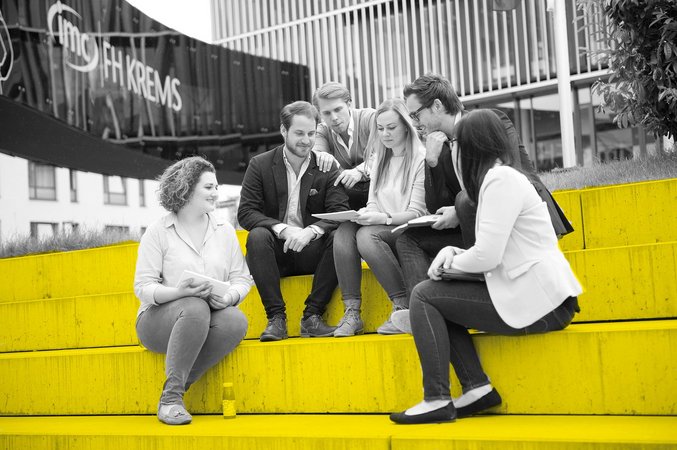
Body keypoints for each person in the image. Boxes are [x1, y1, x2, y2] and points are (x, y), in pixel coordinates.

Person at [389, 110, 582, 425]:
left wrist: (448, 261)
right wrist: (453, 253)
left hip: (543, 304)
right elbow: (494, 251)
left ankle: (437, 397)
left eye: (456, 145)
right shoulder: (500, 177)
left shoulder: (500, 180)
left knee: (424, 296)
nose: (454, 152)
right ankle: (476, 389)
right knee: (430, 295)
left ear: (470, 147)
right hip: (536, 296)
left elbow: (487, 256)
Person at [397, 73, 573, 301]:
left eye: (416, 115)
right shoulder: (437, 143)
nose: (414, 123)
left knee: (463, 200)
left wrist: (460, 209)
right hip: (474, 227)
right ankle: (423, 308)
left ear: (437, 106)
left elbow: (510, 177)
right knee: (408, 239)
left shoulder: (490, 122)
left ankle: (482, 293)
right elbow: (436, 206)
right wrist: (431, 161)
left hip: (515, 225)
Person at [134, 156, 251, 426]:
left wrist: (229, 297)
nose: (215, 192)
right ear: (186, 189)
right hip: (158, 322)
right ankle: (172, 399)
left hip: (207, 316)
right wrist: (179, 292)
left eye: (216, 187)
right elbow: (143, 287)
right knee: (194, 306)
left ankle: (170, 395)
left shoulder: (224, 230)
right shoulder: (158, 231)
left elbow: (242, 279)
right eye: (208, 187)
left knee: (236, 319)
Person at [237, 100, 350, 342]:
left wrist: (310, 231)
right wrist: (283, 229)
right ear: (283, 131)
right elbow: (246, 212)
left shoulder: (326, 167)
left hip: (313, 251)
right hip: (276, 253)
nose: (306, 140)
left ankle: (312, 316)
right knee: (256, 236)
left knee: (341, 237)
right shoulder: (260, 164)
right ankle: (276, 319)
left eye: (311, 133)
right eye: (299, 133)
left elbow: (339, 211)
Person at [332, 98, 426, 337]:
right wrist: (365, 213)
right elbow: (373, 201)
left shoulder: (420, 159)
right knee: (345, 229)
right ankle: (352, 312)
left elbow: (417, 213)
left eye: (391, 128)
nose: (385, 134)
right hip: (381, 226)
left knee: (366, 235)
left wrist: (380, 218)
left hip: (407, 230)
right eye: (381, 129)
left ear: (406, 125)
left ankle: (403, 306)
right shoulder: (380, 160)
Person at [312, 82, 378, 209]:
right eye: (327, 113)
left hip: (379, 194)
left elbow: (386, 152)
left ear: (349, 104)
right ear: (320, 113)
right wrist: (322, 156)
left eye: (337, 109)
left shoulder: (370, 118)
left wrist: (360, 171)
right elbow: (318, 154)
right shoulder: (322, 131)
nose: (334, 118)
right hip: (348, 200)